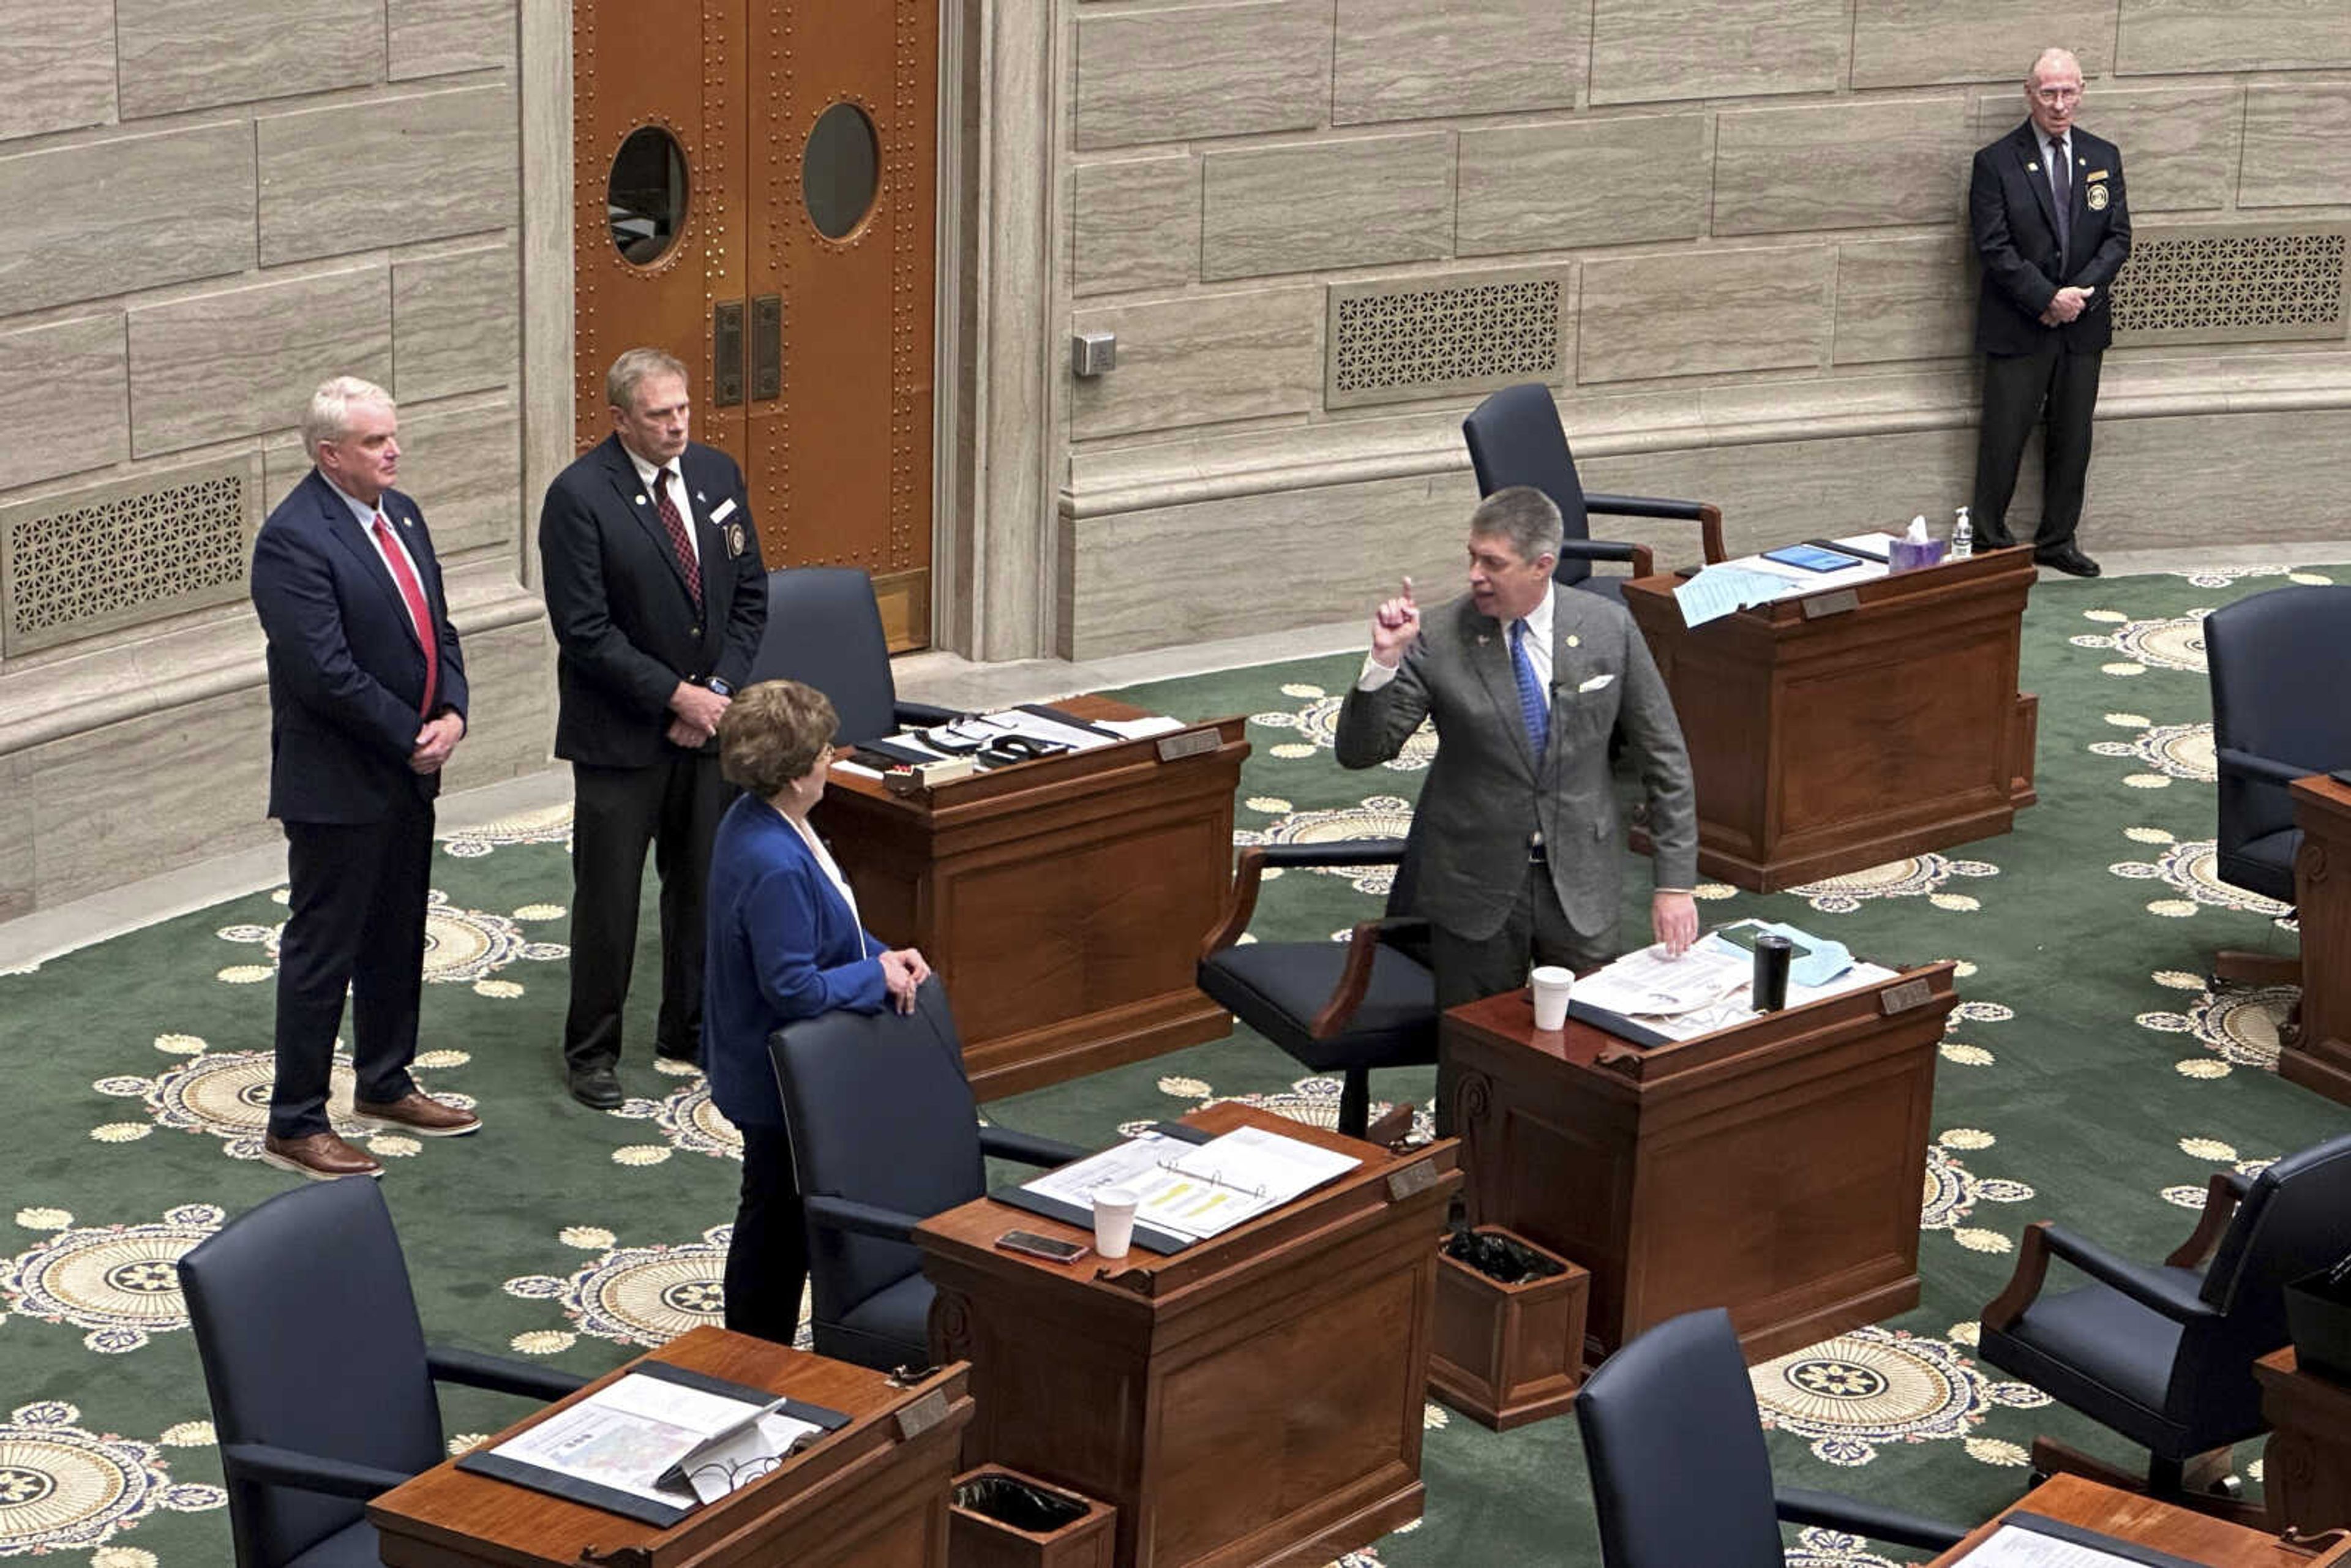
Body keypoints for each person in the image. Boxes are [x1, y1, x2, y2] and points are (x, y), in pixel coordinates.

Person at [1335, 487, 1698, 1120]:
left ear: (1542, 565)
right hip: (1474, 888)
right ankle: (1464, 1191)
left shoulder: (1607, 627)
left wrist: (1675, 885)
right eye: (1473, 557)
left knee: (1588, 1051)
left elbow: (1665, 755)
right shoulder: (1442, 635)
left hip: (1579, 883)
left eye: (1493, 563)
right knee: (1475, 1061)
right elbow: (1363, 751)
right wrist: (1382, 663)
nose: (1475, 574)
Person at [248, 377, 481, 1180]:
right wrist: (408, 733)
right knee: (324, 948)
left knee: (394, 932)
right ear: (329, 454)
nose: (395, 449)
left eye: (394, 433)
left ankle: (385, 1080)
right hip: (339, 784)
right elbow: (324, 673)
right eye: (378, 441)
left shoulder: (403, 513)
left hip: (408, 775)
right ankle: (296, 1120)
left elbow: (436, 627)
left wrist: (452, 708)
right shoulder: (293, 540)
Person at [539, 348, 768, 1109]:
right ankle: (593, 1051)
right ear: (619, 420)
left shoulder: (716, 474)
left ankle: (690, 1026)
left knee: (702, 884)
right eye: (658, 415)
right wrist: (676, 697)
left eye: (682, 410)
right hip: (620, 740)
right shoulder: (578, 497)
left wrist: (717, 694)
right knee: (609, 900)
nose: (677, 426)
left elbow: (749, 598)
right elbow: (585, 630)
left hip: (709, 727)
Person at [703, 680, 931, 1345]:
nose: (833, 757)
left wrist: (885, 954)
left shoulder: (765, 819)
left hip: (784, 1069)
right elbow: (795, 987)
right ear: (799, 773)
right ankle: (756, 1352)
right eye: (825, 750)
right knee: (774, 1221)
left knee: (783, 1212)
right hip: (779, 1080)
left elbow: (826, 927)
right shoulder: (770, 859)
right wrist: (873, 974)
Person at [1968, 46, 2131, 580]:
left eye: (2069, 92)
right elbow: (1994, 248)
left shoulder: (2103, 156)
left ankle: (2058, 539)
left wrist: (2078, 294)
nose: (2060, 104)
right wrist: (2046, 298)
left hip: (2082, 325)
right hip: (2021, 324)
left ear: (2082, 91)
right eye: (2049, 93)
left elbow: (2118, 238)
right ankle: (1992, 545)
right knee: (2005, 436)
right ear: (2030, 94)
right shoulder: (1996, 162)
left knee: (2072, 436)